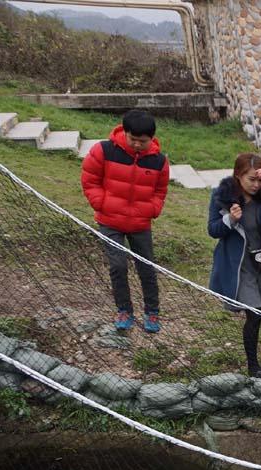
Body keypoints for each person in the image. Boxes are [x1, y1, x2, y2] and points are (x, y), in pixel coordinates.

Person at [207, 154, 261, 378]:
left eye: (259, 179)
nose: (256, 185)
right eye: (251, 180)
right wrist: (230, 220)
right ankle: (252, 365)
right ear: (238, 176)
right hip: (240, 264)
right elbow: (212, 229)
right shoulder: (222, 197)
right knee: (254, 313)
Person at [81, 108, 169, 333]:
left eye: (143, 141)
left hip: (140, 223)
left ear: (152, 138)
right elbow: (90, 179)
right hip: (109, 220)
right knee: (118, 266)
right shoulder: (103, 150)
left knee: (147, 268)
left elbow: (160, 190)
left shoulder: (159, 161)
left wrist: (153, 209)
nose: (138, 145)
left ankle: (152, 312)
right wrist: (101, 203)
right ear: (125, 132)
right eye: (133, 140)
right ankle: (124, 310)